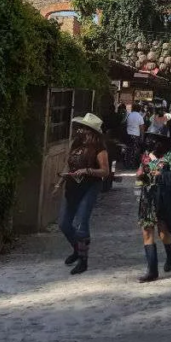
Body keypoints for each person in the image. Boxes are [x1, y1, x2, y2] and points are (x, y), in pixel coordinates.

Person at [47, 114, 109, 279]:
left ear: (91, 131)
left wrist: (88, 171)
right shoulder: (76, 144)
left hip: (90, 186)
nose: (79, 130)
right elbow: (68, 164)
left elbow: (105, 171)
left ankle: (83, 259)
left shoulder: (99, 148)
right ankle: (77, 248)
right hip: (73, 185)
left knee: (82, 223)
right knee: (64, 223)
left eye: (83, 128)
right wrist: (59, 184)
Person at [136, 131, 171, 282]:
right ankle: (152, 271)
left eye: (154, 139)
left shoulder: (170, 156)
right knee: (147, 231)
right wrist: (140, 174)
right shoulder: (147, 154)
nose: (150, 142)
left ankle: (170, 255)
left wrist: (161, 175)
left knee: (163, 232)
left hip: (163, 198)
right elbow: (140, 170)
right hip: (147, 197)